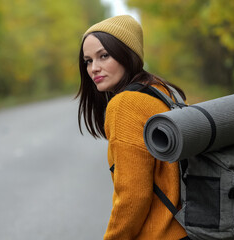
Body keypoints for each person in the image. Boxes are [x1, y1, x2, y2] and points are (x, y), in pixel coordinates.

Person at [76, 15, 189, 240]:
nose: (94, 69)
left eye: (104, 56)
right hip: (189, 229)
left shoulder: (124, 104)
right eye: (88, 60)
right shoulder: (163, 90)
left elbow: (132, 197)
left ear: (126, 54)